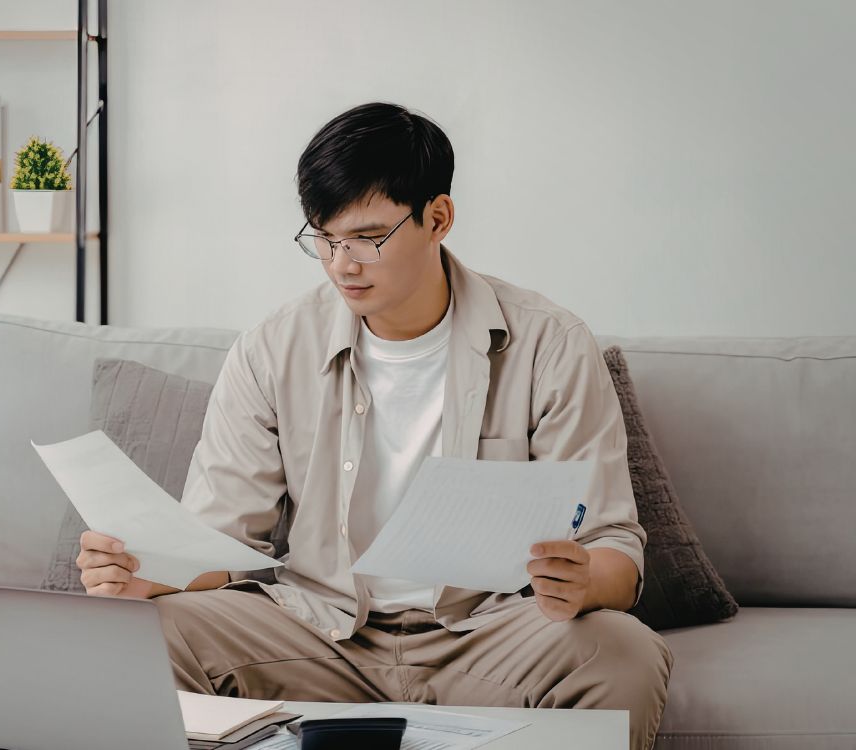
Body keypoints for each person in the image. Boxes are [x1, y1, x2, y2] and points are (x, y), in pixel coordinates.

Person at [75, 102, 672, 750]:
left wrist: (584, 580)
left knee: (624, 654)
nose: (342, 264)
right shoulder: (272, 349)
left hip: (486, 632)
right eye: (324, 238)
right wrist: (150, 573)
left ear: (437, 218)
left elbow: (613, 542)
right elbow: (221, 539)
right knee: (150, 634)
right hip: (318, 632)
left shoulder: (549, 344)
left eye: (367, 238)